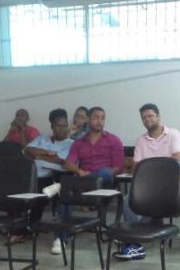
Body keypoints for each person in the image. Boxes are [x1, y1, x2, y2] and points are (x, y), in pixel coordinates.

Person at [114, 103, 180, 261]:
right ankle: (134, 243)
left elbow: (176, 160)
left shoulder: (173, 134)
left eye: (150, 116)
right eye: (144, 117)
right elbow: (137, 167)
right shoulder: (141, 140)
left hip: (168, 187)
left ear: (158, 116)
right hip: (147, 187)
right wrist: (154, 168)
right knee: (127, 200)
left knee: (146, 208)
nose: (147, 120)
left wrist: (150, 170)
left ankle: (131, 240)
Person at [24, 109, 74, 254]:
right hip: (34, 177)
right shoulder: (42, 138)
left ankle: (61, 236)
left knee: (59, 192)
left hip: (57, 178)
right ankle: (27, 227)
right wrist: (46, 152)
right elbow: (27, 150)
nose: (63, 129)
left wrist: (39, 155)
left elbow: (61, 161)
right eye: (59, 126)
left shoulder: (71, 143)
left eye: (65, 126)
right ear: (52, 126)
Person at [63, 106, 125, 187]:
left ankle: (89, 181)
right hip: (84, 179)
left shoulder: (114, 140)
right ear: (88, 119)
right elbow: (68, 164)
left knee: (105, 172)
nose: (100, 121)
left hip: (104, 183)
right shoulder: (79, 143)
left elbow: (119, 168)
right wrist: (79, 171)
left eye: (102, 118)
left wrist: (99, 175)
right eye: (96, 117)